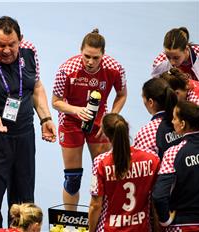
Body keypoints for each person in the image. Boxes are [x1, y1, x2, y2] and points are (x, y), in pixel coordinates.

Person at [0, 16, 56, 228]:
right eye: (1, 45)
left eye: (12, 44)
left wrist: (46, 118)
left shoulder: (29, 51)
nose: (7, 50)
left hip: (24, 136)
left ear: (21, 40)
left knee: (24, 200)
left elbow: (35, 87)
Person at [52, 29, 127, 210]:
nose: (90, 62)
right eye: (87, 56)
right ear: (81, 50)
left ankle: (103, 219)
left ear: (103, 54)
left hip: (99, 123)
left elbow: (122, 95)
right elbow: (56, 102)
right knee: (72, 178)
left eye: (96, 58)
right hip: (71, 122)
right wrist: (77, 111)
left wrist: (112, 115)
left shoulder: (115, 69)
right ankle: (69, 225)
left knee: (104, 173)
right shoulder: (67, 70)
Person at [89, 113, 160, 232]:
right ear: (127, 128)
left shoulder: (101, 163)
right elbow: (156, 199)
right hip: (141, 228)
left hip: (109, 228)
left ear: (106, 134)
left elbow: (95, 205)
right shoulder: (152, 158)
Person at [152, 100, 199, 231]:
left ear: (183, 124)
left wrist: (165, 220)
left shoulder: (173, 153)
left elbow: (159, 196)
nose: (172, 122)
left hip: (184, 224)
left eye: (174, 118)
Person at [133, 78, 181, 159]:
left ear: (150, 102)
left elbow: (141, 163)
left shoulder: (146, 133)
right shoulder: (185, 120)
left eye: (143, 98)